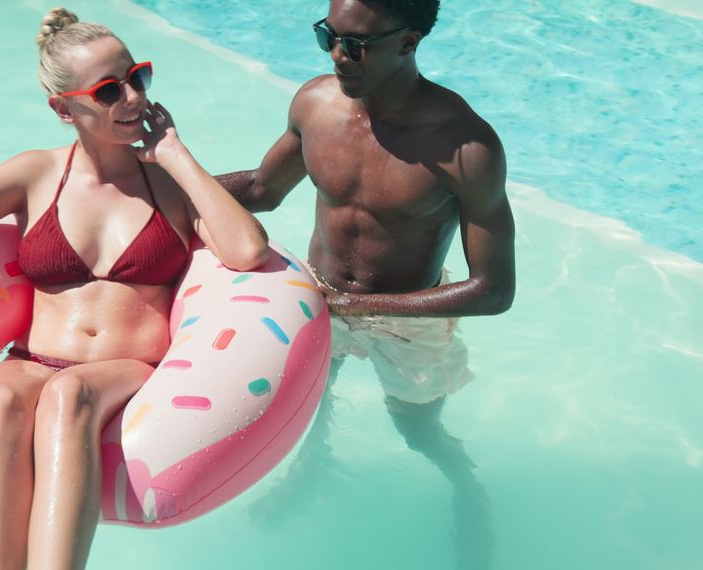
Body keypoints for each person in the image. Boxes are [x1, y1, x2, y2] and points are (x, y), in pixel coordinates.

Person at [0, 7, 269, 569]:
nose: (132, 99)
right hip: (32, 359)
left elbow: (247, 250)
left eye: (138, 78)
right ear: (64, 109)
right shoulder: (34, 174)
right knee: (0, 396)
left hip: (121, 370)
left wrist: (177, 156)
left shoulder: (166, 184)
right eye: (109, 91)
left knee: (69, 397)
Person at [216, 0, 513, 567]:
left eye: (357, 44)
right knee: (310, 401)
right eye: (328, 36)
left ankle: (468, 492)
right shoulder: (315, 103)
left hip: (408, 316)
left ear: (409, 41)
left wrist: (358, 304)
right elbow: (263, 189)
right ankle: (311, 470)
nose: (337, 56)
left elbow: (494, 289)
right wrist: (159, 177)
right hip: (319, 296)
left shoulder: (465, 148)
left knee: (417, 430)